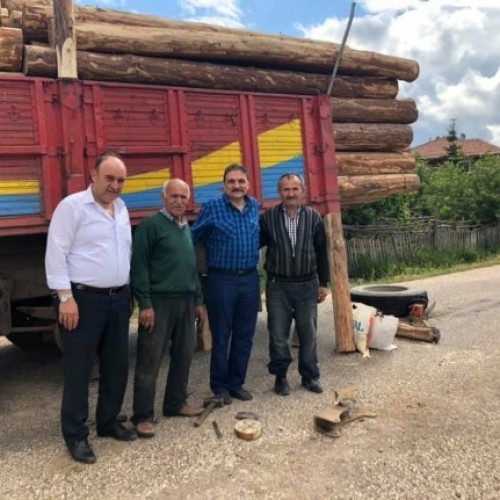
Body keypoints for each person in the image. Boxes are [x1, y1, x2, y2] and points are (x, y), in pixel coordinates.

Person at [45, 152, 136, 465]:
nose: (114, 185)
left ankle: (109, 422)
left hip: (118, 299)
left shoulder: (121, 208)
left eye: (120, 180)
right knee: (79, 370)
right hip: (84, 302)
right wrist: (65, 298)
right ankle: (75, 435)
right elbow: (56, 253)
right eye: (109, 178)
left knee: (116, 365)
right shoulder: (72, 207)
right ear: (93, 177)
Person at [130, 178, 205, 438]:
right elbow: (138, 267)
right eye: (174, 196)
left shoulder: (185, 226)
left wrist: (198, 301)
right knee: (150, 361)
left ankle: (175, 404)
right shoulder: (150, 225)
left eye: (184, 197)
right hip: (159, 303)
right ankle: (142, 416)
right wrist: (146, 305)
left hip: (185, 302)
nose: (179, 201)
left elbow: (190, 267)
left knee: (184, 355)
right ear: (163, 197)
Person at [192, 164, 260, 405]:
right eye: (231, 181)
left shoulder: (254, 206)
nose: (236, 186)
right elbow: (192, 237)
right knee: (221, 336)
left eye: (241, 181)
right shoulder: (212, 207)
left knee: (245, 335)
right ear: (224, 185)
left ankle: (236, 383)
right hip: (221, 281)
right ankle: (219, 386)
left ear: (248, 184)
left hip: (250, 279)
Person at [260, 173, 329, 396]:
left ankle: (310, 376)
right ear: (279, 193)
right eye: (286, 189)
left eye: (295, 189)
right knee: (278, 335)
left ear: (303, 190)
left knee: (308, 334)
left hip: (307, 285)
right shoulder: (268, 218)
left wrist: (323, 283)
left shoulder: (314, 217)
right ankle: (280, 378)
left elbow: (321, 252)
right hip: (278, 285)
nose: (291, 193)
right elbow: (254, 245)